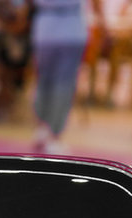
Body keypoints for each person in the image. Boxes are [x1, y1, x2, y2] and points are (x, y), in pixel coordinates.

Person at [31, 0, 104, 153]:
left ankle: (41, 128)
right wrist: (103, 25)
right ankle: (55, 135)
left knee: (43, 81)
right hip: (70, 32)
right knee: (63, 85)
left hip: (45, 31)